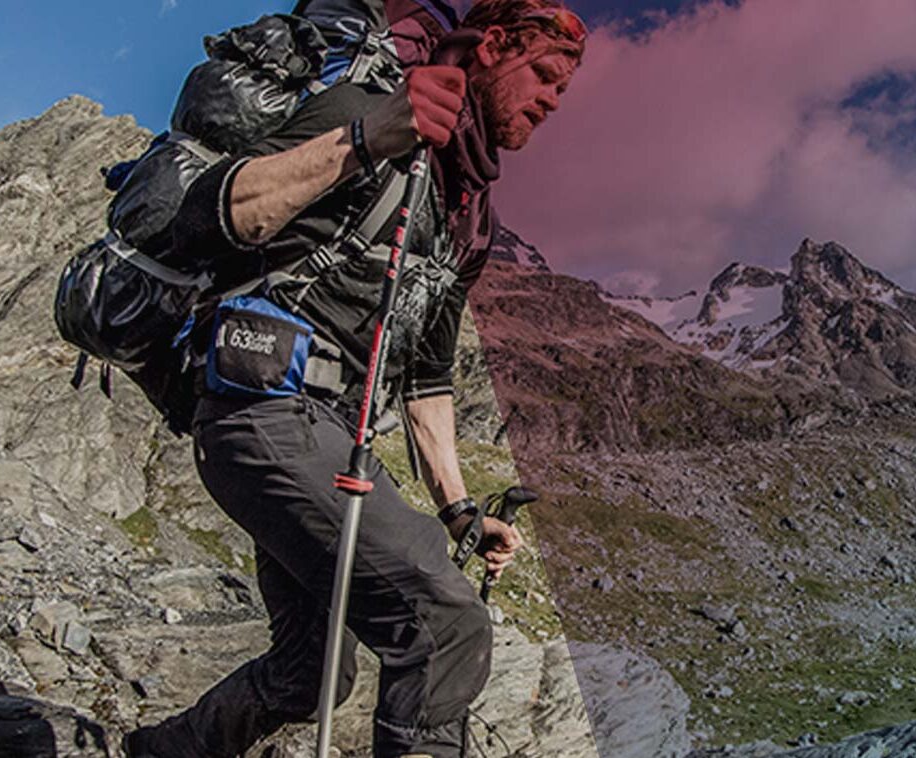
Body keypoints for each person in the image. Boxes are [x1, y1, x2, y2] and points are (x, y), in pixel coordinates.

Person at [122, 2, 586, 756]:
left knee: (311, 674)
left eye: (563, 92)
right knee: (444, 622)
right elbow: (207, 216)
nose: (552, 100)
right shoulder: (364, 109)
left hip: (332, 440)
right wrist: (368, 138)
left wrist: (462, 511)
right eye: (544, 76)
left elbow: (428, 373)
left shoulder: (468, 211)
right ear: (494, 46)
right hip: (258, 411)